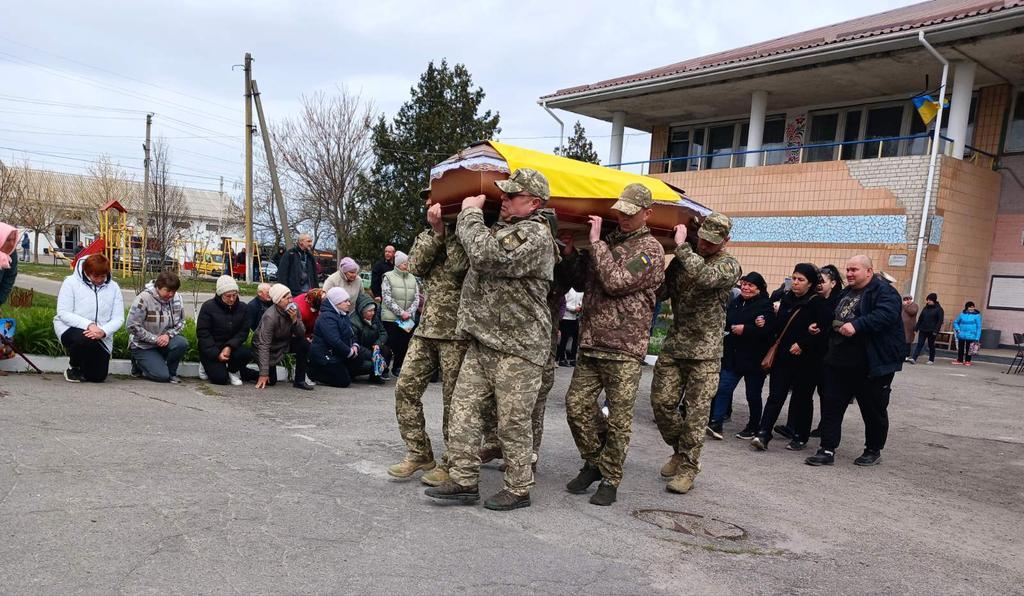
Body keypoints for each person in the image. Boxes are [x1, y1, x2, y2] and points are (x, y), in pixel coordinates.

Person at [425, 167, 557, 511]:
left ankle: (518, 488)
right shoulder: (502, 229)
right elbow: (471, 253)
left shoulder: (536, 234)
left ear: (535, 202)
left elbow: (487, 256)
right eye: (505, 193)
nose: (505, 199)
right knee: (464, 411)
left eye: (513, 196)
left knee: (512, 422)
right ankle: (464, 479)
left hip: (519, 346)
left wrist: (469, 213)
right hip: (483, 340)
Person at [562, 183, 665, 506]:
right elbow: (582, 282)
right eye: (621, 212)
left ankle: (610, 477)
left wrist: (595, 244)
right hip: (592, 341)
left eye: (631, 213)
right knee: (576, 407)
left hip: (625, 348)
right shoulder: (606, 242)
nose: (623, 218)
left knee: (619, 418)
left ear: (647, 213)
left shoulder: (650, 250)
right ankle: (594, 460)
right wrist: (571, 255)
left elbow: (617, 281)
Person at [650, 212, 741, 495]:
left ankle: (689, 467)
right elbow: (661, 291)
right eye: (702, 239)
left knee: (696, 414)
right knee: (661, 403)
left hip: (705, 353)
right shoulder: (683, 258)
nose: (705, 245)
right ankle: (679, 450)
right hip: (676, 346)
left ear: (726, 240)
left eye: (713, 242)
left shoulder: (729, 265)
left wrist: (682, 247)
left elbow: (704, 277)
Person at [389, 191, 470, 484]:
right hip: (427, 329)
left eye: (434, 199)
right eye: (426, 200)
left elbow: (462, 267)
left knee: (455, 402)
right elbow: (417, 266)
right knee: (405, 389)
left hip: (457, 332)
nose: (428, 205)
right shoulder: (426, 234)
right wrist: (436, 233)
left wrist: (448, 233)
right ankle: (419, 452)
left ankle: (452, 462)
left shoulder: (470, 231)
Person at [806, 255, 905, 467]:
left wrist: (858, 325)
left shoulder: (885, 293)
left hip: (871, 364)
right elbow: (835, 314)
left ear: (869, 271)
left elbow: (886, 315)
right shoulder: (846, 292)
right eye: (848, 270)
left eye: (854, 270)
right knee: (832, 404)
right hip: (839, 361)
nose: (849, 273)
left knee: (873, 409)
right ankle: (827, 449)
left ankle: (873, 449)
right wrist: (819, 326)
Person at [750, 263, 832, 451]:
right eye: (794, 278)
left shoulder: (818, 303)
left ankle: (801, 436)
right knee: (775, 396)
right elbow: (778, 326)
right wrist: (763, 320)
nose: (795, 283)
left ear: (810, 283)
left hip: (807, 361)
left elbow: (824, 331)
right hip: (783, 358)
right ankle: (763, 434)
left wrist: (803, 344)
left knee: (802, 398)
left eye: (800, 280)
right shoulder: (785, 298)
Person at [706, 272, 774, 440]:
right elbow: (727, 322)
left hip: (754, 359)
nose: (746, 287)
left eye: (750, 285)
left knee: (752, 395)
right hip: (733, 357)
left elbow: (768, 331)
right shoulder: (736, 302)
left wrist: (747, 329)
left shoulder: (765, 305)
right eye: (744, 283)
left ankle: (753, 426)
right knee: (723, 389)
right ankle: (716, 422)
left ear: (759, 288)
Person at [53, 254, 124, 382]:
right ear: (87, 272)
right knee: (85, 338)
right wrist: (89, 325)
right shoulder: (70, 282)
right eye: (95, 276)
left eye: (103, 276)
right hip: (71, 328)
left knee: (97, 377)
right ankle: (73, 367)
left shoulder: (114, 287)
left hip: (101, 335)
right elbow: (63, 313)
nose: (99, 280)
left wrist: (103, 332)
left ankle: (85, 366)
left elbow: (118, 318)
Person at [126, 271, 187, 383]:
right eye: (168, 291)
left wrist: (168, 335)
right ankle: (138, 363)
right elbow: (131, 325)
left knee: (181, 343)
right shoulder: (143, 298)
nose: (171, 295)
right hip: (143, 344)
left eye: (174, 291)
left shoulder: (177, 298)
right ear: (158, 287)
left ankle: (171, 373)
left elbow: (182, 322)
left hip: (164, 340)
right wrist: (154, 339)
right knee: (161, 376)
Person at [196, 275, 256, 386]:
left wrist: (229, 346)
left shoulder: (243, 308)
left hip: (232, 347)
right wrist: (216, 354)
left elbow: (243, 332)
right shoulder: (208, 307)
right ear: (220, 295)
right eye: (228, 296)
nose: (232, 299)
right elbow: (203, 333)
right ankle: (205, 363)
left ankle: (233, 370)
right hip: (212, 347)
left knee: (248, 353)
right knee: (220, 379)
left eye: (234, 295)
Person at [253, 283, 313, 390]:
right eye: (286, 298)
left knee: (304, 344)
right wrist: (263, 373)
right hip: (270, 348)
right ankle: (249, 373)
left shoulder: (295, 309)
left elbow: (301, 333)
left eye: (290, 297)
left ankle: (300, 380)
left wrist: (295, 320)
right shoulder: (270, 317)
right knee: (271, 381)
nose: (290, 301)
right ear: (277, 301)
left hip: (284, 343)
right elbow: (264, 345)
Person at [380, 251, 421, 376]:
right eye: (405, 263)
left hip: (407, 318)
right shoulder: (388, 277)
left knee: (403, 343)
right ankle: (384, 368)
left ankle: (398, 367)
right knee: (389, 343)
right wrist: (400, 312)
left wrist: (408, 312)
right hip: (391, 317)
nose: (407, 265)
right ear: (398, 264)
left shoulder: (412, 278)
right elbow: (387, 298)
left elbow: (417, 297)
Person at [307, 287, 357, 388]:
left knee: (362, 360)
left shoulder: (343, 314)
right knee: (344, 382)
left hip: (338, 353)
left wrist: (355, 346)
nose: (349, 303)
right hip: (325, 355)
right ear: (337, 303)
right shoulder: (326, 317)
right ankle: (313, 373)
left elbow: (351, 333)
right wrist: (349, 352)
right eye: (346, 301)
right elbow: (334, 340)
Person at [349, 300, 390, 383]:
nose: (373, 313)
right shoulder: (354, 322)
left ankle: (376, 376)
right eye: (370, 311)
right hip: (360, 352)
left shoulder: (375, 319)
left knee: (386, 350)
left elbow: (383, 333)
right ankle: (351, 374)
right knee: (373, 363)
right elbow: (355, 344)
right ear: (363, 311)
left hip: (373, 347)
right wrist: (373, 355)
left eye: (374, 310)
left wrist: (377, 344)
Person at [910, 293, 944, 365]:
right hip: (923, 329)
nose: (928, 301)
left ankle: (931, 360)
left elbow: (940, 321)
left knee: (931, 345)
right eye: (927, 300)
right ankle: (914, 358)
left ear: (934, 300)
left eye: (930, 300)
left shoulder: (939, 309)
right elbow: (920, 318)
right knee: (920, 344)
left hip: (932, 331)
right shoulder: (925, 308)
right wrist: (916, 328)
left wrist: (936, 331)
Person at [557, 287, 583, 366]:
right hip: (566, 318)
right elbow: (564, 304)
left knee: (575, 340)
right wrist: (574, 309)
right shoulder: (568, 289)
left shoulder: (581, 291)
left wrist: (580, 307)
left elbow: (581, 302)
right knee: (564, 339)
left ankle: (572, 359)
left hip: (575, 318)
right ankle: (561, 359)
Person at [953, 302, 982, 366]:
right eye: (970, 307)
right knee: (961, 348)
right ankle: (960, 360)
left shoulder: (977, 316)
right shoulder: (962, 314)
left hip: (971, 335)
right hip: (961, 334)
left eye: (972, 307)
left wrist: (977, 337)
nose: (971, 308)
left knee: (969, 349)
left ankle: (968, 361)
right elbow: (955, 322)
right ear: (966, 307)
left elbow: (979, 327)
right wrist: (958, 329)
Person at [0, 223, 19, 310]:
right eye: (8, 240)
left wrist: (0, 300)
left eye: (14, 239)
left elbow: (9, 277)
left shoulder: (11, 253)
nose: (12, 243)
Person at [901, 295, 919, 360]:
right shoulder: (903, 306)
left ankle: (907, 356)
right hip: (902, 326)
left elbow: (912, 312)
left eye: (908, 299)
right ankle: (901, 355)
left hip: (909, 327)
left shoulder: (914, 305)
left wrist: (905, 306)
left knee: (907, 341)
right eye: (905, 299)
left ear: (910, 299)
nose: (906, 301)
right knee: (902, 341)